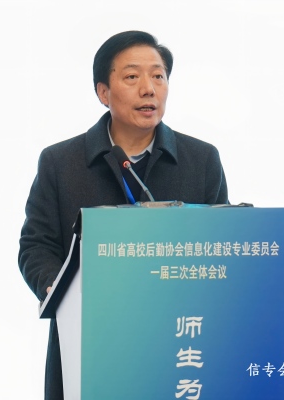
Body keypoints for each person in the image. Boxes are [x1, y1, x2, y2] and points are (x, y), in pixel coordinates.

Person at [18, 30, 229, 400]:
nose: (149, 89)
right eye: (132, 76)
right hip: (89, 339)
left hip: (176, 341)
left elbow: (220, 245)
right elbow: (36, 246)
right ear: (103, 92)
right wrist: (59, 290)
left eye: (158, 76)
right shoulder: (61, 163)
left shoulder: (201, 160)